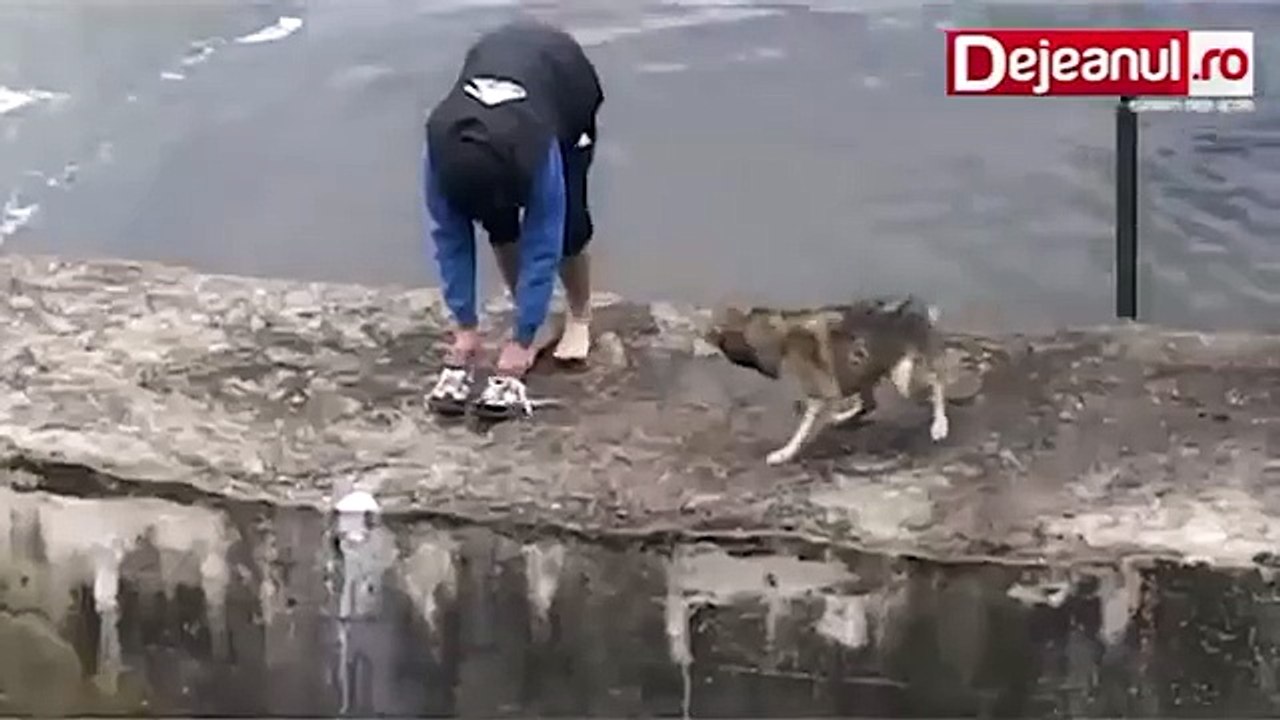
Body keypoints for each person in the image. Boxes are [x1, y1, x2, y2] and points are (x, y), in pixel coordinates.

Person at [422, 20, 603, 416]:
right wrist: (465, 326)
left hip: (565, 80)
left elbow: (544, 240)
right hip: (494, 69)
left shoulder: (539, 149)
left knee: (569, 228)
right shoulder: (440, 152)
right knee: (499, 224)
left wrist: (518, 340)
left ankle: (579, 316)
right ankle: (532, 320)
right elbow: (450, 241)